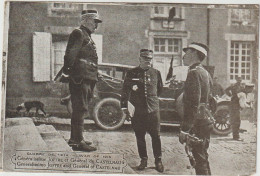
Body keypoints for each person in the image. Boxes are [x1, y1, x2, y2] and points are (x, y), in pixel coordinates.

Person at [61, 10, 102, 152]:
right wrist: (68, 73)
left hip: (88, 77)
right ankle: (77, 142)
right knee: (80, 108)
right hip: (80, 77)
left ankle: (76, 138)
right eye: (94, 22)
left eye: (97, 23)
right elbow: (70, 55)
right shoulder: (78, 33)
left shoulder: (87, 36)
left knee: (81, 108)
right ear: (85, 21)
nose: (96, 26)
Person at [120, 49, 164, 172]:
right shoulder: (132, 73)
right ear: (140, 59)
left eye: (150, 59)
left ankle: (158, 160)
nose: (148, 61)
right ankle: (143, 159)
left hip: (153, 110)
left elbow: (159, 90)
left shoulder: (156, 73)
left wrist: (152, 101)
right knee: (140, 136)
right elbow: (125, 91)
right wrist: (124, 106)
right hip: (138, 111)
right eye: (145, 58)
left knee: (156, 136)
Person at [180, 42, 213, 175]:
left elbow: (193, 103)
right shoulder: (205, 72)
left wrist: (185, 129)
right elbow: (210, 99)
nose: (184, 56)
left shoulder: (193, 73)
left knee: (198, 159)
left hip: (197, 123)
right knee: (203, 157)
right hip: (205, 120)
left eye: (186, 52)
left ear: (194, 53)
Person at [225, 77, 244, 141]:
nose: (239, 81)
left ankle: (235, 135)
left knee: (235, 121)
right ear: (236, 80)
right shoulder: (234, 86)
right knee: (236, 121)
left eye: (240, 80)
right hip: (235, 105)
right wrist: (230, 95)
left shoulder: (241, 87)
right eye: (238, 80)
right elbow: (226, 90)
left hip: (236, 105)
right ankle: (236, 136)